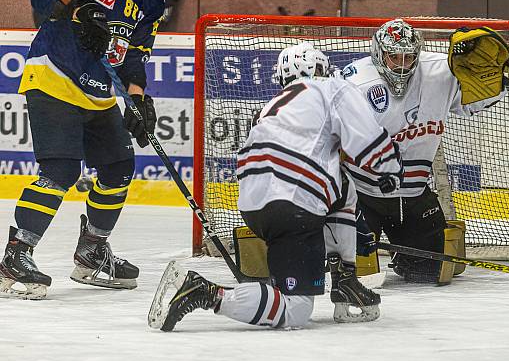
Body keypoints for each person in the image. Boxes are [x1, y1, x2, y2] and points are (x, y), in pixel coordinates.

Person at [153, 42, 404, 331]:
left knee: (343, 188)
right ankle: (206, 292)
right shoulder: (331, 88)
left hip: (254, 207)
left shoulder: (273, 107)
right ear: (320, 68)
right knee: (296, 311)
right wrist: (390, 169)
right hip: (296, 202)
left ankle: (344, 279)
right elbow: (366, 136)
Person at [0, 0, 168, 300]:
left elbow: (134, 54)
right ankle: (15, 255)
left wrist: (139, 100)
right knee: (60, 168)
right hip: (55, 72)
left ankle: (92, 253)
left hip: (96, 89)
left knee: (119, 166)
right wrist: (76, 8)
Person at [340, 19, 509, 283]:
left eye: (408, 57)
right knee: (353, 270)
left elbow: (469, 104)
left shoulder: (440, 72)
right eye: (393, 56)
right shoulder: (356, 82)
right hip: (363, 195)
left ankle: (406, 256)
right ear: (378, 53)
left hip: (414, 193)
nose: (401, 64)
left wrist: (494, 85)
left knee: (431, 273)